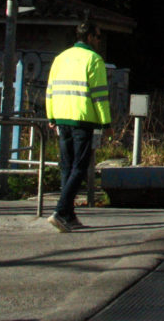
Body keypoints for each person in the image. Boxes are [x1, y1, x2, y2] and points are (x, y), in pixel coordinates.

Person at [45, 20, 111, 232]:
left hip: (62, 117)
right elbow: (100, 95)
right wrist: (106, 122)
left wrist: (51, 115)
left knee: (67, 166)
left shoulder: (60, 58)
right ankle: (60, 210)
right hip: (82, 118)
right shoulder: (94, 59)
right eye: (98, 37)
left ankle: (69, 215)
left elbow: (50, 89)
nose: (99, 42)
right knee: (80, 167)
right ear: (90, 37)